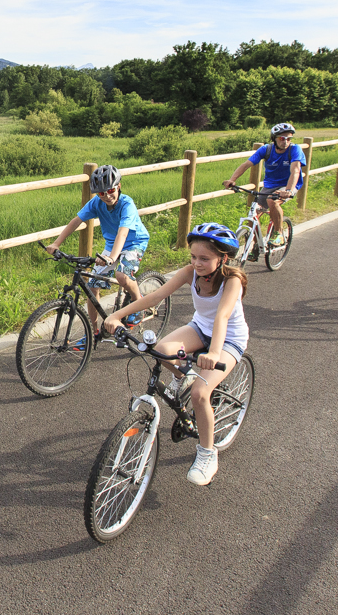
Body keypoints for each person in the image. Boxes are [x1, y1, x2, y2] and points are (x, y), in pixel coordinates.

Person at [103, 222, 248, 486]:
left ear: (223, 258)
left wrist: (213, 353)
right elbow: (156, 295)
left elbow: (223, 317)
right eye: (193, 257)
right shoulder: (191, 272)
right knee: (159, 350)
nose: (197, 263)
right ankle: (186, 373)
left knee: (200, 394)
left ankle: (207, 453)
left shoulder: (232, 280)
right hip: (200, 329)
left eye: (205, 258)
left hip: (228, 340)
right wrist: (117, 315)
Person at [45, 164, 150, 337]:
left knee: (122, 276)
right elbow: (76, 221)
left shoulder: (126, 204)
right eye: (101, 193)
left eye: (111, 190)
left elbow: (123, 234)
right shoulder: (96, 203)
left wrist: (112, 258)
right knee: (92, 287)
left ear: (119, 186)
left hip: (133, 243)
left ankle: (139, 304)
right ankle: (93, 333)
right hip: (111, 245)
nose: (107, 196)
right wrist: (56, 243)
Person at [223, 122, 305, 250]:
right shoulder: (266, 149)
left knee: (272, 201)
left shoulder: (295, 150)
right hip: (269, 186)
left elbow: (295, 171)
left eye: (289, 138)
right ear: (274, 139)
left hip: (287, 186)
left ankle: (278, 234)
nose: (285, 141)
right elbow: (246, 164)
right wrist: (232, 180)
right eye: (282, 138)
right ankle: (256, 245)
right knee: (253, 214)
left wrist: (288, 190)